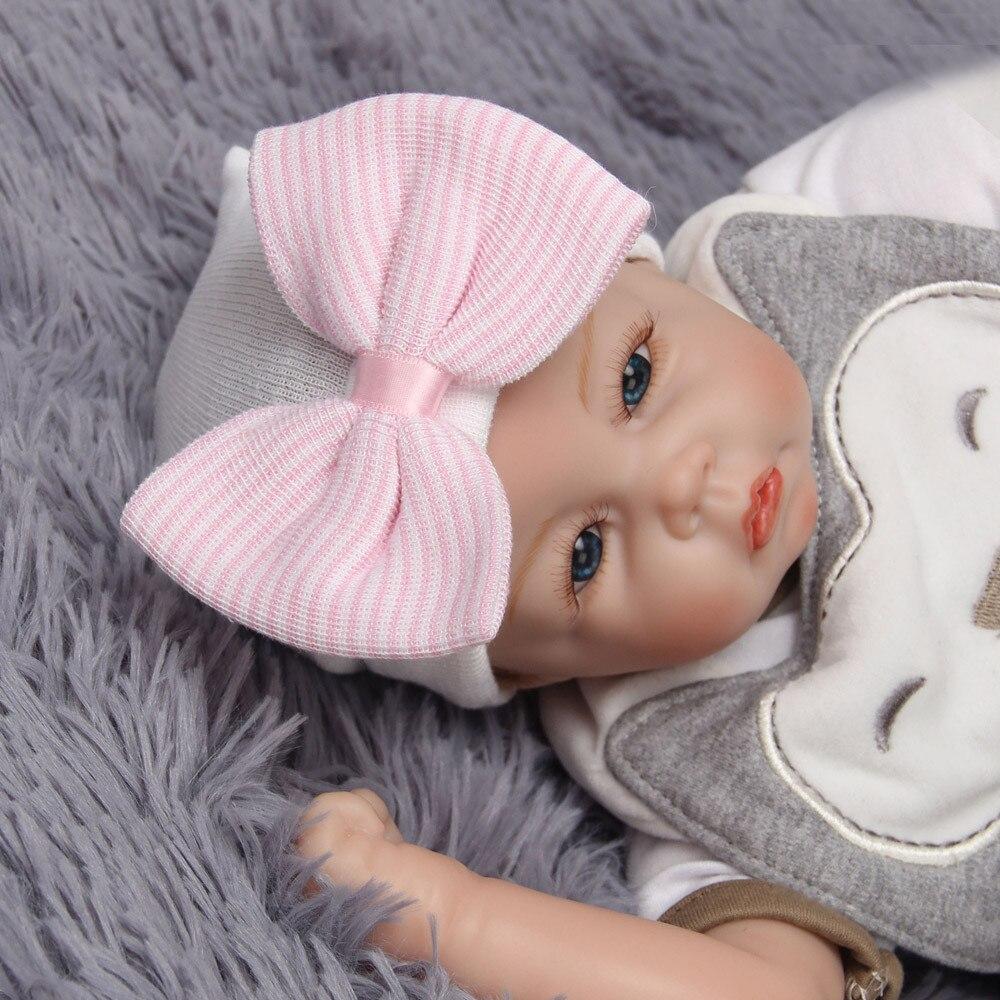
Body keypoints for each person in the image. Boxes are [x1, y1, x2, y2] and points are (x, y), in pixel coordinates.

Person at [120, 60, 1000, 1000]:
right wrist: (455, 914)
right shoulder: (703, 766)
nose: (681, 484)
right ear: (533, 674)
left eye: (634, 378)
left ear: (638, 268)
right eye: (586, 554)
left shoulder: (833, 224)